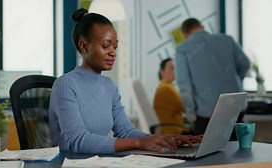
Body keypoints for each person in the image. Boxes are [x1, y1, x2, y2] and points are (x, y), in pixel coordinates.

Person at [49, 8, 202, 154]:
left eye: (115, 47)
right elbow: (77, 140)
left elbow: (125, 131)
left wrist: (166, 139)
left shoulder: (108, 86)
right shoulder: (65, 84)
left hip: (98, 162)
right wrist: (138, 143)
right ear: (84, 46)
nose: (113, 53)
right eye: (106, 46)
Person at [175, 18, 251, 135]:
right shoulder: (227, 40)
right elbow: (245, 64)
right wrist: (235, 80)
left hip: (207, 113)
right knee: (236, 149)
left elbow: (185, 84)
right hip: (236, 106)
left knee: (208, 152)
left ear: (185, 34)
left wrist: (191, 112)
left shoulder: (182, 49)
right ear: (202, 27)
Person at [154, 58, 187, 135]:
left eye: (176, 68)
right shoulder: (166, 88)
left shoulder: (166, 86)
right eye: (172, 68)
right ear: (162, 72)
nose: (175, 70)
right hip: (174, 131)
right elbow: (185, 106)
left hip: (172, 129)